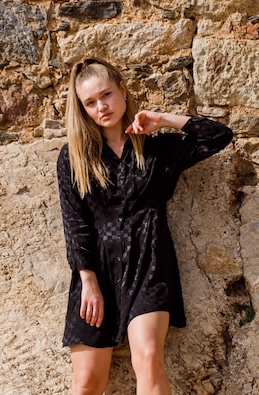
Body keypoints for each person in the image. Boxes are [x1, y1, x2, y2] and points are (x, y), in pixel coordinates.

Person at [56, 57, 233, 395]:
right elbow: (74, 224)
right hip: (97, 274)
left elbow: (219, 136)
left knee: (148, 358)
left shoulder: (157, 151)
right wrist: (87, 280)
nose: (101, 107)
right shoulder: (75, 156)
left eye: (106, 95)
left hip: (150, 264)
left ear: (123, 89)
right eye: (90, 103)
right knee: (86, 384)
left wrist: (164, 119)